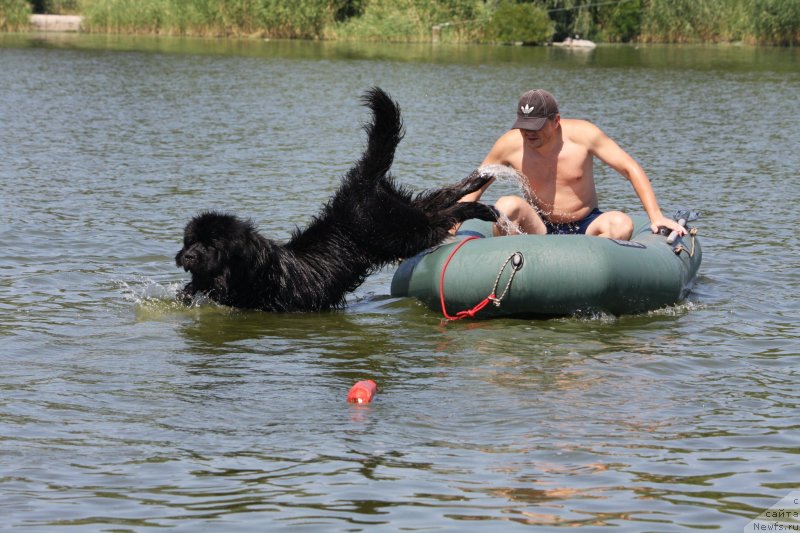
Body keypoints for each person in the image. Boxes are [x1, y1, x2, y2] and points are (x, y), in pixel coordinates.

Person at [460, 89, 685, 239]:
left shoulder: (585, 135)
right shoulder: (509, 144)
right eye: (523, 126)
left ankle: (584, 272)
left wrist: (656, 216)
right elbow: (473, 189)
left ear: (556, 120)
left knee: (622, 224)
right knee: (507, 205)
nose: (528, 133)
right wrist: (450, 225)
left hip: (586, 224)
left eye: (536, 126)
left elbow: (630, 168)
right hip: (538, 226)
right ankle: (506, 271)